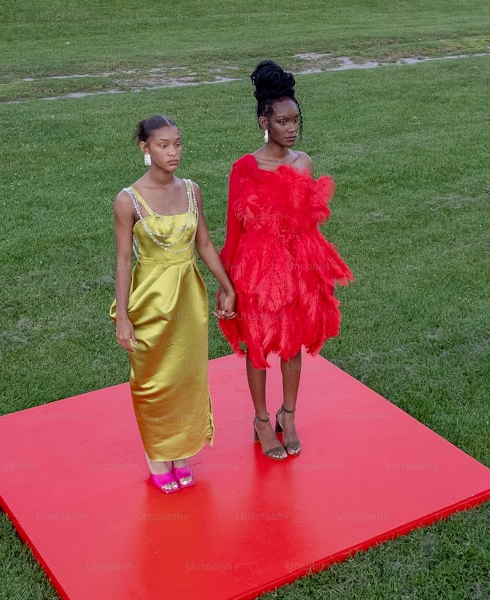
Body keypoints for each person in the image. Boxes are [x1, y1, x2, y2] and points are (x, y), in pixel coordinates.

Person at [218, 60, 353, 461]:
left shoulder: (304, 163)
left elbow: (309, 220)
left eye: (296, 120)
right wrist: (229, 287)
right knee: (258, 344)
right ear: (264, 121)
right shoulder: (244, 168)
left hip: (298, 265)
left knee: (293, 344)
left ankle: (287, 414)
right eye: (282, 121)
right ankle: (261, 419)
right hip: (257, 270)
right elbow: (233, 230)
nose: (292, 128)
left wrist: (316, 270)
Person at [111, 115, 237, 493]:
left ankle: (181, 453)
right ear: (145, 149)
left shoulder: (192, 190)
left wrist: (227, 286)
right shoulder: (127, 200)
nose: (173, 151)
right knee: (151, 381)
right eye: (163, 145)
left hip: (188, 300)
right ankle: (156, 455)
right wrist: (123, 318)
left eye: (178, 143)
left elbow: (204, 245)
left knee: (186, 378)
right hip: (148, 300)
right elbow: (122, 261)